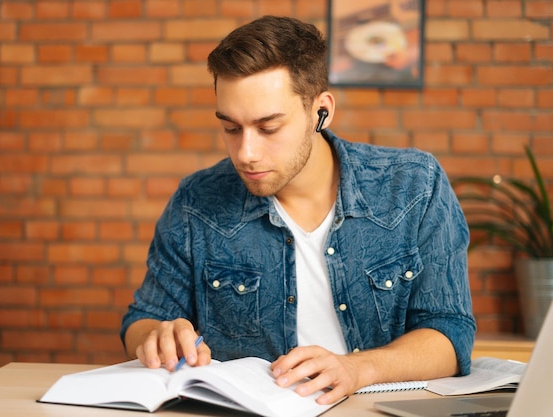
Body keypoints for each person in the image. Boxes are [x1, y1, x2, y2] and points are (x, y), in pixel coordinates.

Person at [121, 15, 476, 405]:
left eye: (268, 127)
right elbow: (144, 318)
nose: (246, 153)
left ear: (320, 111)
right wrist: (156, 335)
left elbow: (449, 332)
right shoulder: (196, 201)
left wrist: (357, 369)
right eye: (231, 128)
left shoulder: (414, 185)